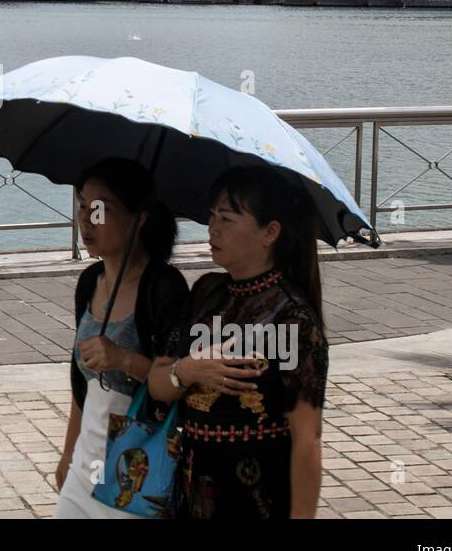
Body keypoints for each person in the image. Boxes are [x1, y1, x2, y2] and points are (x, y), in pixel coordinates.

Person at [147, 164, 328, 519]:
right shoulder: (204, 292)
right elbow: (157, 383)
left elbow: (307, 438)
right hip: (191, 494)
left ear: (270, 232)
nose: (212, 227)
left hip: (257, 501)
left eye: (227, 219)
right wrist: (186, 370)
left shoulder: (290, 317)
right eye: (212, 215)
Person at [54, 158, 189, 519]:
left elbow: (180, 382)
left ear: (140, 218)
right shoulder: (89, 282)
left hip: (137, 465)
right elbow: (81, 385)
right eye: (82, 205)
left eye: (100, 209)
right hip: (87, 460)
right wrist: (68, 453)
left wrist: (123, 359)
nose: (86, 219)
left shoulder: (164, 289)